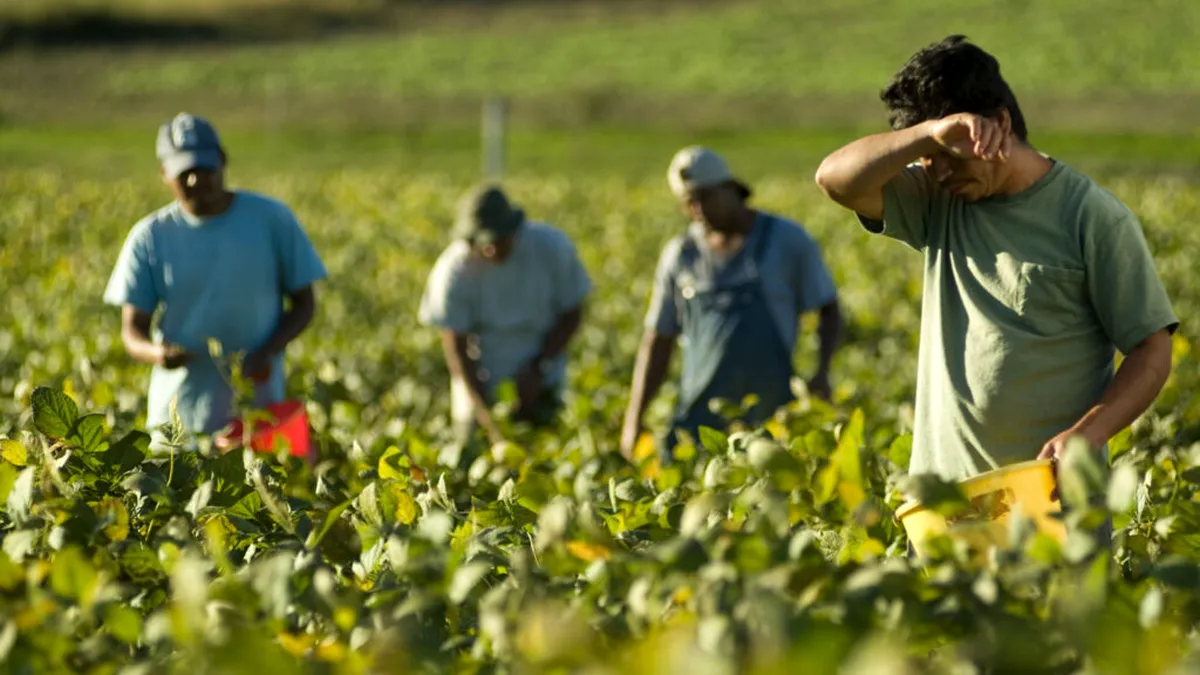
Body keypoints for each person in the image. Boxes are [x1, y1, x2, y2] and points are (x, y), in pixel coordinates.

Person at [814, 35, 1179, 488]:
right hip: (946, 501)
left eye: (950, 155)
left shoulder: (1091, 216)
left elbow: (1152, 349)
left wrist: (1089, 434)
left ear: (1000, 124)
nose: (939, 171)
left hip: (1049, 495)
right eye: (928, 159)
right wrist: (929, 135)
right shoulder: (936, 201)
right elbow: (834, 179)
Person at [103, 113, 328, 447]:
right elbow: (132, 331)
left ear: (222, 162)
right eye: (184, 173)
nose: (196, 181)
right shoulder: (150, 237)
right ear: (164, 174)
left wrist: (267, 351)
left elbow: (304, 303)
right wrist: (158, 354)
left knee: (256, 493)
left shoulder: (271, 220)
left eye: (204, 169)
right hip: (177, 420)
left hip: (257, 412)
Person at [620, 146, 844, 461]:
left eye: (705, 197)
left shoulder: (786, 240)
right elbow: (658, 339)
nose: (698, 209)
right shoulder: (681, 255)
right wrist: (634, 419)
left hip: (772, 415)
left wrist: (822, 373)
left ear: (731, 188)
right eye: (688, 203)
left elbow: (828, 308)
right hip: (701, 420)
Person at [418, 183, 591, 447]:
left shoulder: (550, 248)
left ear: (514, 229)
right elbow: (456, 346)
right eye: (483, 243)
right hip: (478, 387)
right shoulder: (454, 270)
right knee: (472, 458)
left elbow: (573, 312)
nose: (491, 250)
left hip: (544, 382)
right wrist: (485, 413)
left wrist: (539, 368)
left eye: (498, 240)